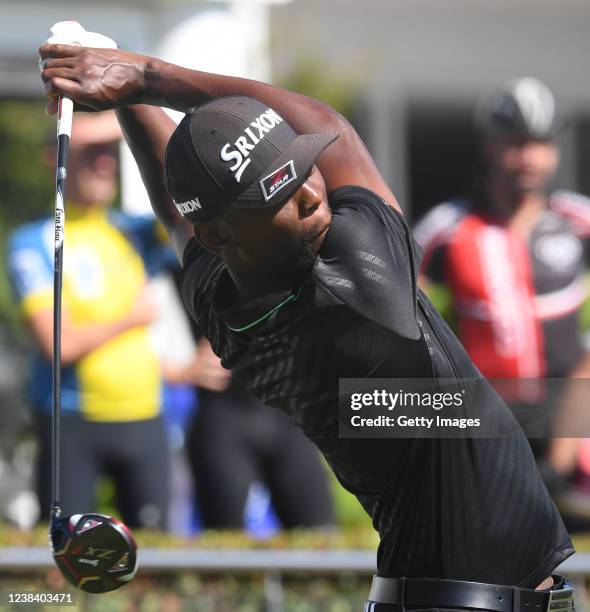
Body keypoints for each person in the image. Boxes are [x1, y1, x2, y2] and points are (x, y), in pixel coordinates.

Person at [39, 35, 575, 610]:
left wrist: (122, 91)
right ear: (223, 235)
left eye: (300, 164)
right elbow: (328, 124)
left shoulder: (224, 306)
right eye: (277, 188)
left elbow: (181, 218)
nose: (311, 190)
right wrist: (144, 76)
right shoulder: (362, 283)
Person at [413, 78, 590, 515]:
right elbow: (397, 316)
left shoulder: (578, 219)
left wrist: (568, 444)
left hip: (572, 417)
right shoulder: (447, 225)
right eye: (516, 143)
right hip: (487, 416)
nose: (529, 157)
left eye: (541, 143)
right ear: (491, 147)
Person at [7, 111, 170, 529]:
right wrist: (129, 318)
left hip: (145, 419)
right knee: (66, 558)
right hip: (73, 423)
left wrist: (130, 109)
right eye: (88, 152)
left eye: (110, 152)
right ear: (55, 160)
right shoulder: (34, 240)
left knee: (159, 560)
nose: (105, 163)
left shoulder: (136, 231)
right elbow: (57, 344)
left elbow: (188, 201)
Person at [168, 336, 335, 531]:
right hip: (222, 415)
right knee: (225, 542)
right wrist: (178, 371)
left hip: (288, 420)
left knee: (321, 536)